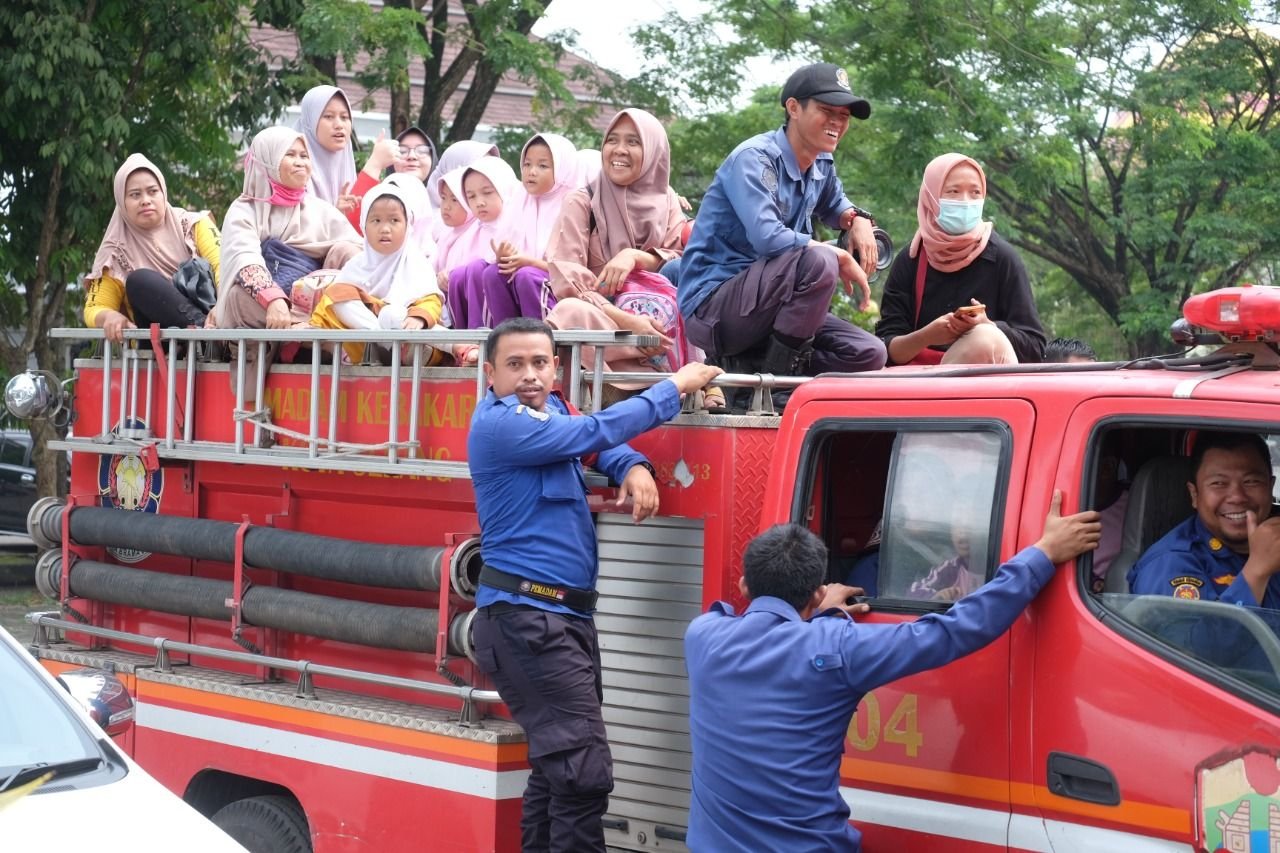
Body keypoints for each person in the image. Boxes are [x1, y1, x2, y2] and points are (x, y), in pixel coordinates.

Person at [684, 497, 1101, 852]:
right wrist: (1042, 553)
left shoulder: (702, 638)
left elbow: (767, 637)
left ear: (742, 585)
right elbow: (956, 629)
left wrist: (821, 614)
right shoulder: (838, 650)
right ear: (814, 592)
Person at [468, 317, 722, 852]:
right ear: (490, 374)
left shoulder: (551, 409)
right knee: (583, 775)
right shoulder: (502, 425)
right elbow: (588, 433)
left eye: (540, 362)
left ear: (555, 368)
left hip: (560, 620)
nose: (530, 375)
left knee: (557, 770)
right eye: (515, 365)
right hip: (527, 620)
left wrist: (633, 466)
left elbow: (595, 442)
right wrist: (673, 387)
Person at [677, 62, 888, 397]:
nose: (837, 122)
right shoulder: (755, 159)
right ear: (793, 108)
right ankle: (771, 393)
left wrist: (859, 220)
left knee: (869, 353)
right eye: (826, 110)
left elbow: (837, 206)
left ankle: (755, 372)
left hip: (773, 308)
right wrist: (833, 253)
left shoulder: (820, 162)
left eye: (844, 115)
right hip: (715, 308)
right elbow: (769, 238)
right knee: (818, 261)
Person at [543, 109, 716, 407]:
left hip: (664, 322)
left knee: (686, 276)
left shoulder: (668, 200)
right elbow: (568, 280)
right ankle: (628, 380)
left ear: (653, 151)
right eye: (613, 140)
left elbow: (682, 259)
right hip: (608, 318)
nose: (620, 150)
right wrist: (629, 322)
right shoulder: (583, 202)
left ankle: (671, 372)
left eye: (633, 142)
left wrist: (635, 257)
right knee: (569, 311)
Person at [215, 126, 362, 381]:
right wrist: (272, 299)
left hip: (316, 304)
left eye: (304, 155)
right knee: (240, 297)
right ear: (268, 161)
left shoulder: (320, 210)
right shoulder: (244, 211)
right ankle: (308, 335)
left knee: (347, 251)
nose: (301, 162)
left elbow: (362, 255)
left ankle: (308, 332)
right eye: (290, 155)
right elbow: (245, 259)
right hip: (267, 309)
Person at [875, 153, 1046, 365]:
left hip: (988, 391)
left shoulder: (1002, 257)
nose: (965, 202)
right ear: (931, 196)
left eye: (975, 193)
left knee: (984, 339)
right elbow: (884, 349)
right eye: (953, 192)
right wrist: (927, 336)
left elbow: (1036, 347)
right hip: (923, 389)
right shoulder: (912, 258)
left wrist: (989, 326)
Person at [1128, 431, 1280, 608]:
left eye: (1251, 481)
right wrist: (1256, 572)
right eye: (1219, 483)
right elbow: (1195, 636)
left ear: (1271, 487)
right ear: (1194, 494)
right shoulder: (1170, 563)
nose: (1237, 497)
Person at [85, 154, 221, 343]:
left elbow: (225, 267)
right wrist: (108, 316)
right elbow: (95, 307)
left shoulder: (194, 225)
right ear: (121, 202)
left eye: (152, 191)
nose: (145, 200)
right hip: (159, 347)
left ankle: (208, 335)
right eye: (135, 195)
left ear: (163, 193)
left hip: (215, 321)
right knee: (140, 281)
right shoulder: (114, 252)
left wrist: (222, 306)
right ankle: (204, 336)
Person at [308, 181, 445, 365]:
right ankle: (380, 339)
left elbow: (432, 301)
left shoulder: (417, 263)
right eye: (376, 220)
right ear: (364, 225)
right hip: (365, 344)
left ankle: (435, 348)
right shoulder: (356, 264)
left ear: (408, 226)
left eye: (394, 220)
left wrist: (418, 317)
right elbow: (331, 305)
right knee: (335, 295)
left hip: (410, 334)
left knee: (394, 315)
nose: (385, 229)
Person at [482, 132, 582, 323]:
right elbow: (504, 247)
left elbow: (572, 271)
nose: (531, 171)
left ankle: (541, 343)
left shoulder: (573, 202)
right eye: (527, 164)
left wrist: (529, 263)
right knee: (493, 273)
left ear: (563, 169)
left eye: (542, 165)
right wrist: (504, 255)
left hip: (557, 285)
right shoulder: (521, 198)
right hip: (523, 275)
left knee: (526, 276)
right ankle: (504, 342)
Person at [295, 85, 358, 210]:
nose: (339, 125)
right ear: (310, 121)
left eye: (344, 117)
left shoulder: (346, 157)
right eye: (328, 116)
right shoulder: (293, 168)